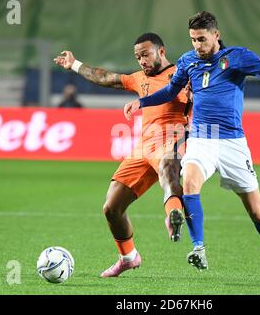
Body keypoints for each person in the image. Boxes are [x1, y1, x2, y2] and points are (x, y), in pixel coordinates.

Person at [124, 11, 260, 281]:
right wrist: (141, 102)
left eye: (201, 39)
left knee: (256, 210)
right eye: (192, 40)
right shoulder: (188, 60)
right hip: (202, 137)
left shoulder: (237, 57)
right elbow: (169, 91)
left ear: (216, 35)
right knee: (188, 183)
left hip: (232, 142)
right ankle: (198, 248)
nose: (197, 46)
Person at [54, 33, 191, 277]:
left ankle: (173, 214)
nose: (141, 61)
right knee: (111, 208)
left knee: (168, 172)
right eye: (138, 57)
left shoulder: (183, 74)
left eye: (145, 54)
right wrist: (74, 64)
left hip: (173, 138)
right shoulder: (139, 79)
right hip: (143, 147)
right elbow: (105, 77)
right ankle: (128, 257)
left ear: (161, 51)